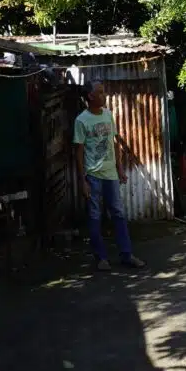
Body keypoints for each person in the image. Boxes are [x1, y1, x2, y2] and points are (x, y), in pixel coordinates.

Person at [74, 80, 145, 271]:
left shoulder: (107, 115)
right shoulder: (81, 120)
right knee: (95, 216)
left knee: (119, 214)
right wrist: (83, 181)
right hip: (93, 176)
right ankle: (101, 258)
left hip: (111, 174)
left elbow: (114, 143)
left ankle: (126, 255)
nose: (104, 95)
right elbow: (79, 152)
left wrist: (120, 168)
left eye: (103, 92)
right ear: (90, 96)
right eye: (100, 92)